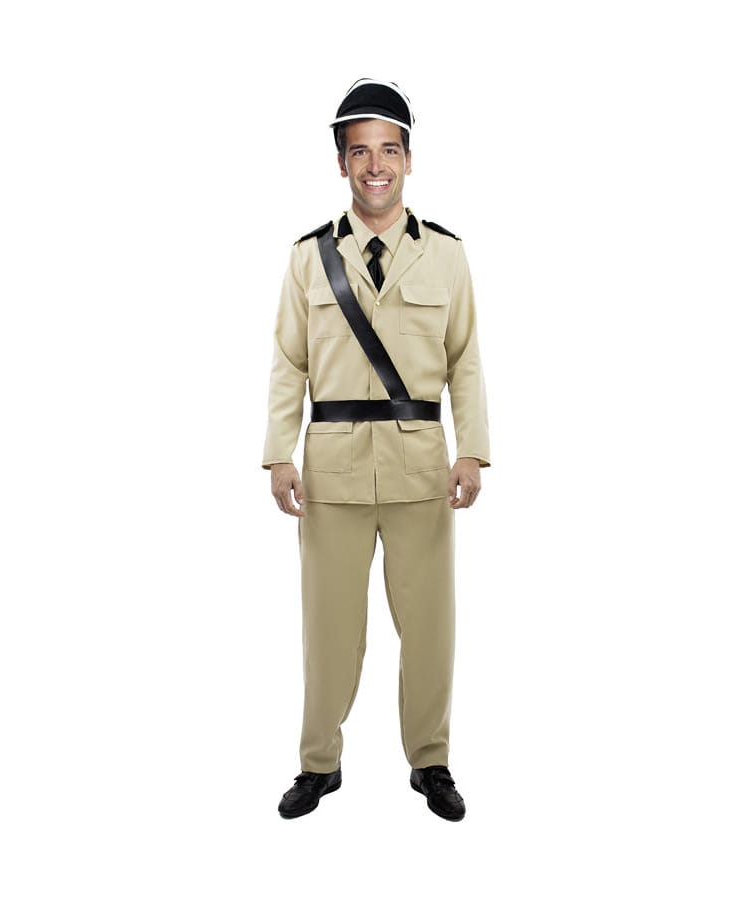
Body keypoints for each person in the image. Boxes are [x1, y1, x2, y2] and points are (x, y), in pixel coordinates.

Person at [262, 78, 490, 821]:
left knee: (429, 629)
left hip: (422, 467)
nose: (376, 166)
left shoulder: (446, 256)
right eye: (360, 152)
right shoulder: (309, 258)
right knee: (329, 630)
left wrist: (472, 449)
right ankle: (318, 764)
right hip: (329, 472)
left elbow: (465, 360)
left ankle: (431, 761)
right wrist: (278, 453)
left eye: (389, 150)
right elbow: (289, 361)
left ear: (409, 159)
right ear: (342, 164)